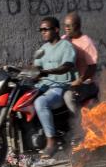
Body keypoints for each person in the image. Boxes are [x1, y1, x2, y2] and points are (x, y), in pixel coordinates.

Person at [33, 16, 77, 158]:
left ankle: (51, 141)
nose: (43, 32)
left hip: (59, 87)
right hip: (43, 87)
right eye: (41, 30)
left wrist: (47, 71)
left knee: (40, 102)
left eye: (46, 29)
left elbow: (66, 66)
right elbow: (36, 66)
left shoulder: (66, 46)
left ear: (56, 30)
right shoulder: (43, 49)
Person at [61, 12, 99, 115]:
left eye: (70, 26)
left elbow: (92, 67)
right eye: (65, 25)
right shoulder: (64, 39)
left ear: (77, 26)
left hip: (86, 84)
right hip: (67, 82)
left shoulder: (86, 43)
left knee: (68, 96)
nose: (66, 28)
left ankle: (80, 123)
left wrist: (80, 80)